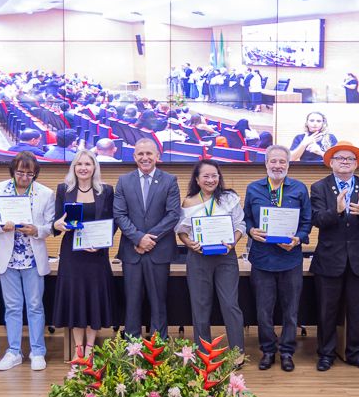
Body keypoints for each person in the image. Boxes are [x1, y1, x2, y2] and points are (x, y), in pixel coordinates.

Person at [310, 142, 359, 372]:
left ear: (356, 164)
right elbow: (317, 219)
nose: (345, 162)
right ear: (331, 162)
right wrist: (337, 211)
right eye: (340, 158)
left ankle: (356, 353)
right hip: (329, 259)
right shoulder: (319, 187)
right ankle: (326, 354)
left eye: (350, 159)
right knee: (327, 310)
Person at [243, 145, 312, 371]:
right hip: (262, 260)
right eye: (273, 161)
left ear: (288, 164)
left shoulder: (299, 189)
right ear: (266, 163)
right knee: (263, 311)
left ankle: (287, 352)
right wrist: (251, 231)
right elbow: (246, 219)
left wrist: (298, 239)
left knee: (290, 311)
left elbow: (307, 222)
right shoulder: (253, 188)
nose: (277, 165)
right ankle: (268, 351)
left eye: (282, 161)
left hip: (290, 259)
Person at [0, 152, 56, 371]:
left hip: (32, 257)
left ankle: (38, 351)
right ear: (12, 171)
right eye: (20, 172)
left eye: (29, 173)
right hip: (7, 258)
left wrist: (37, 230)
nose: (25, 177)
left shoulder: (45, 193)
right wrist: (1, 226)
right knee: (12, 307)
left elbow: (50, 226)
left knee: (35, 306)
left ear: (35, 173)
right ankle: (14, 351)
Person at [176, 160, 246, 359]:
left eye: (214, 175)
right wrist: (189, 243)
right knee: (200, 306)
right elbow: (181, 231)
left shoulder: (229, 198)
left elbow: (241, 225)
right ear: (197, 179)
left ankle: (237, 353)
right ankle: (203, 353)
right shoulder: (189, 202)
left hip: (225, 258)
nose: (210, 180)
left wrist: (232, 242)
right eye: (205, 176)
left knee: (230, 304)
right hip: (198, 258)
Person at [114, 138, 181, 340]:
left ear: (157, 156)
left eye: (149, 153)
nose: (145, 158)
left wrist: (149, 239)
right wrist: (138, 239)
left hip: (159, 251)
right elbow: (119, 214)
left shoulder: (170, 180)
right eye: (141, 154)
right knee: (132, 301)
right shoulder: (124, 181)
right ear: (134, 157)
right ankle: (131, 345)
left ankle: (158, 345)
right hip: (132, 251)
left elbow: (173, 214)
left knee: (159, 301)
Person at [53, 150, 117, 358]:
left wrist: (101, 243)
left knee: (93, 298)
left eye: (87, 164)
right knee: (76, 299)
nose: (83, 168)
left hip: (96, 255)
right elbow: (56, 222)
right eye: (79, 164)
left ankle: (90, 348)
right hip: (72, 256)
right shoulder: (64, 189)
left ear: (94, 167)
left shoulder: (106, 191)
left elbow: (113, 222)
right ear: (73, 167)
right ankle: (78, 349)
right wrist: (57, 224)